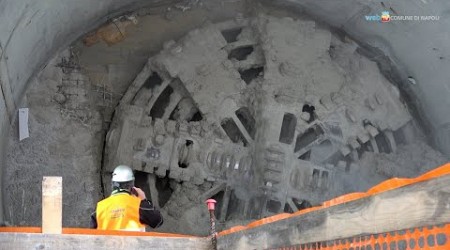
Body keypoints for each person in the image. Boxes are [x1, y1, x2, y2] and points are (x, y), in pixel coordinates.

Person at [90, 165, 163, 231]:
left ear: (113, 185)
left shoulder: (100, 208)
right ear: (132, 185)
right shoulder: (138, 206)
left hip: (108, 246)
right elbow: (158, 221)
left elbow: (93, 237)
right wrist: (144, 200)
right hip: (134, 245)